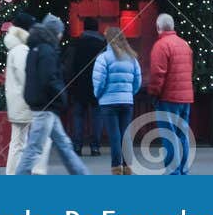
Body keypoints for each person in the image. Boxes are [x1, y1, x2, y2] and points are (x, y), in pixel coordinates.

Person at [15, 15, 88, 176]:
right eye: (61, 32)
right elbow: (49, 78)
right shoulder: (47, 50)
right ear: (56, 32)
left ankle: (81, 174)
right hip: (46, 106)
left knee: (63, 145)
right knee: (35, 148)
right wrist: (62, 95)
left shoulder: (36, 48)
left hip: (43, 105)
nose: (62, 36)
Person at [148, 12, 194, 176]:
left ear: (158, 27)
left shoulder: (160, 46)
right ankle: (183, 169)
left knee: (169, 135)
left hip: (168, 97)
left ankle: (173, 173)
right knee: (182, 134)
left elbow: (157, 74)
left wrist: (153, 93)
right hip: (185, 97)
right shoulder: (185, 45)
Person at [92, 25, 142, 174]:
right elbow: (137, 80)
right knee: (125, 135)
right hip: (127, 101)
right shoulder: (132, 57)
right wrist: (129, 93)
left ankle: (116, 167)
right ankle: (128, 166)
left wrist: (98, 94)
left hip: (108, 102)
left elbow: (99, 80)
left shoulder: (103, 58)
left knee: (114, 135)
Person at [3, 11, 48, 175]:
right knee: (34, 140)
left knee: (18, 142)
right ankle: (29, 173)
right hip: (26, 102)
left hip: (17, 102)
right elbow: (26, 77)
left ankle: (13, 174)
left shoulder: (15, 47)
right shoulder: (22, 49)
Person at [65, 16, 105, 156]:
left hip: (78, 85)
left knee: (78, 116)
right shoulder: (103, 45)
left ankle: (77, 146)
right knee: (97, 117)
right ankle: (95, 147)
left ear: (84, 28)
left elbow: (69, 65)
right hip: (97, 85)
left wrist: (68, 82)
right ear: (97, 28)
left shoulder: (76, 43)